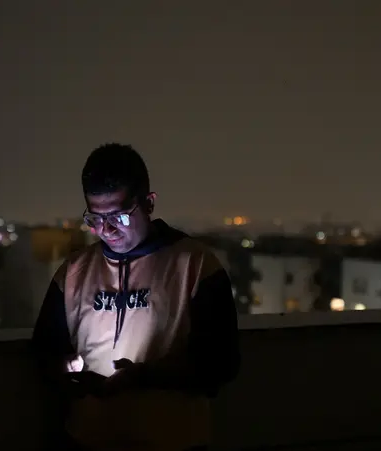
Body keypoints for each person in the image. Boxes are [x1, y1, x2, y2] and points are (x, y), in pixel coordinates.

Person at [31, 143, 240, 451]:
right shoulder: (74, 271)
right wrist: (64, 370)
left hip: (174, 443)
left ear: (149, 203)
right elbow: (44, 350)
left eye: (120, 216)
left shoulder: (195, 266)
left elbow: (221, 362)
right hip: (88, 439)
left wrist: (144, 377)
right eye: (95, 219)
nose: (107, 230)